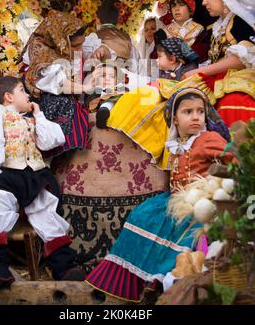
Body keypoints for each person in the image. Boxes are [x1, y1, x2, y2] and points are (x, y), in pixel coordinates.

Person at [86, 88, 233, 302]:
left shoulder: (208, 138)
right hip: (174, 198)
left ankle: (169, 280)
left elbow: (233, 157)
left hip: (199, 202)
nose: (196, 117)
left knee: (181, 227)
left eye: (200, 112)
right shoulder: (176, 145)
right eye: (188, 112)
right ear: (175, 118)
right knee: (142, 215)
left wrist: (223, 186)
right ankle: (146, 282)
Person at [0, 76, 86, 290]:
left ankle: (63, 266)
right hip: (8, 173)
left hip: (36, 175)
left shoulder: (31, 119)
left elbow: (52, 141)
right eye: (22, 90)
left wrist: (39, 115)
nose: (28, 95)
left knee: (45, 211)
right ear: (8, 97)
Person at [182, 0, 255, 125]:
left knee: (232, 102)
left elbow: (241, 59)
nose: (203, 2)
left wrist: (200, 72)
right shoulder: (217, 26)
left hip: (240, 78)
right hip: (219, 79)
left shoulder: (242, 21)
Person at [22, 10, 91, 155]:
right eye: (76, 46)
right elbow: (60, 85)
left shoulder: (56, 47)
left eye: (81, 44)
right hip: (41, 103)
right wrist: (86, 88)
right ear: (61, 40)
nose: (80, 50)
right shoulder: (41, 51)